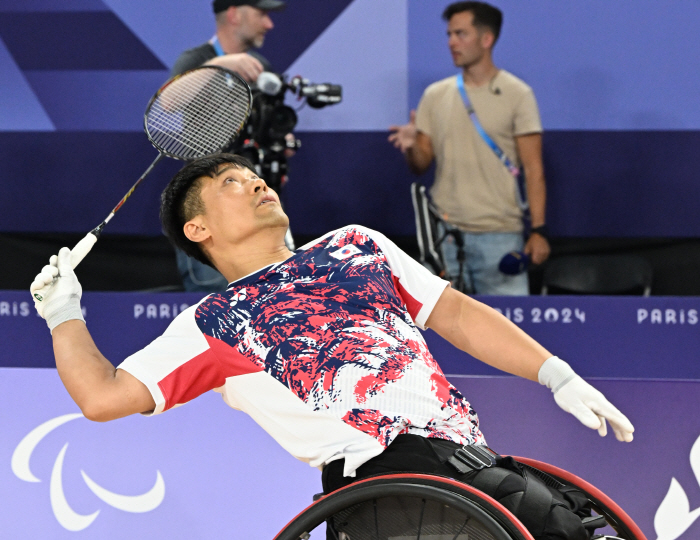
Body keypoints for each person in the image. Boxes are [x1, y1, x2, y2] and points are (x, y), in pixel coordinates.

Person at [32, 153, 633, 539]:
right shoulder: (213, 322)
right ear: (199, 230)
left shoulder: (355, 245)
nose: (257, 182)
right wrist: (64, 314)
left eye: (255, 173)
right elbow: (103, 396)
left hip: (473, 465)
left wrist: (557, 373)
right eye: (232, 182)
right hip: (390, 494)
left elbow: (456, 315)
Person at [389, 1, 550, 296]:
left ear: (486, 39)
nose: (452, 42)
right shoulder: (435, 95)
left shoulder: (518, 94)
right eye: (449, 34)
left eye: (461, 34)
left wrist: (538, 231)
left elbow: (533, 168)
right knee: (440, 335)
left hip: (500, 235)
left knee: (506, 334)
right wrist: (411, 147)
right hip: (446, 238)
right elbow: (420, 164)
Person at [171, 0, 285, 293]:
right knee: (216, 308)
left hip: (258, 209)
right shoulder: (197, 60)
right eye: (262, 14)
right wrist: (219, 65)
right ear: (234, 14)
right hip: (214, 217)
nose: (269, 24)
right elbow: (169, 101)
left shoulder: (262, 68)